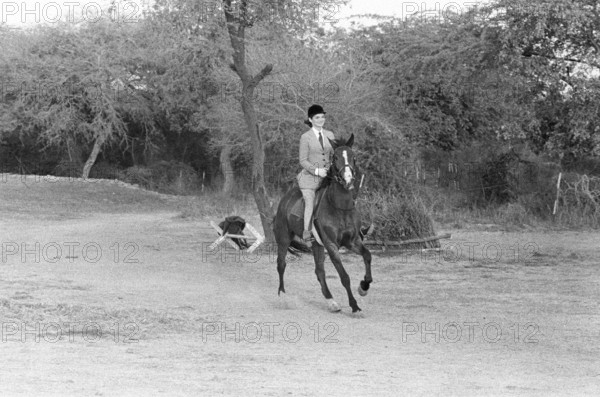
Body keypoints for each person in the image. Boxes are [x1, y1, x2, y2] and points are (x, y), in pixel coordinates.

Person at [297, 104, 335, 242]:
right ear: (311, 120)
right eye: (317, 117)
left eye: (322, 117)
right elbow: (303, 160)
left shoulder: (330, 134)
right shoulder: (305, 137)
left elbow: (333, 156)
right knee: (310, 202)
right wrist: (317, 171)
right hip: (309, 178)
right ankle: (307, 232)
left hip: (328, 176)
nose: (321, 119)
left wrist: (332, 168)